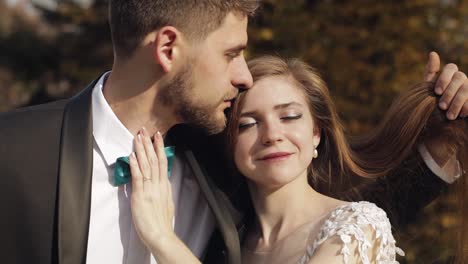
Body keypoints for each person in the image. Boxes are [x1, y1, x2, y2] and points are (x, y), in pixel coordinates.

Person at [0, 0, 467, 263]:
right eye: (231, 53)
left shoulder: (215, 162)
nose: (243, 75)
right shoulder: (14, 152)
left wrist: (442, 142)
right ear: (167, 47)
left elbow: (346, 219)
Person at [129, 55, 467, 263]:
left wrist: (161, 239)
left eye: (289, 116)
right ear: (230, 143)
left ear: (317, 133)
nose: (272, 134)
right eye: (248, 123)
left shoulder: (358, 226)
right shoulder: (225, 243)